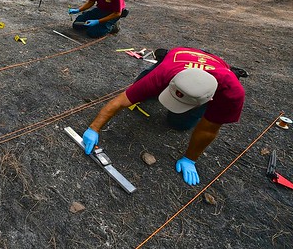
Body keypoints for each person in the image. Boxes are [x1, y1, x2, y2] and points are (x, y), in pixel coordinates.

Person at [80, 47, 245, 186]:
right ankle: (162, 57)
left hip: (217, 71)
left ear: (209, 100)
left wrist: (190, 159)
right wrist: (93, 128)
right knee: (142, 86)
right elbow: (121, 101)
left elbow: (208, 129)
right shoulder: (164, 74)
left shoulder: (232, 94)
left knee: (179, 124)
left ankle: (231, 71)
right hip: (178, 57)